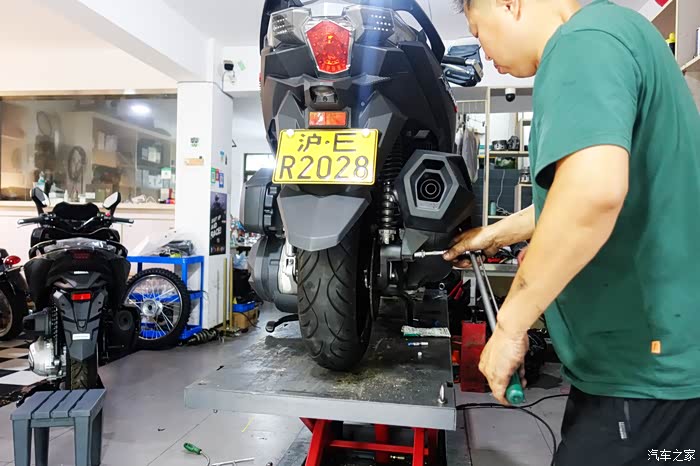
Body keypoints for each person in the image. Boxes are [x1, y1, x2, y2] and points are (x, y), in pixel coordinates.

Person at [445, 0, 700, 463]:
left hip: (644, 379)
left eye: (479, 33)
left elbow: (593, 193)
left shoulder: (582, 42)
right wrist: (494, 235)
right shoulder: (618, 32)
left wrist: (510, 327)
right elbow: (572, 195)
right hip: (648, 373)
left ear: (509, 4)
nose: (485, 54)